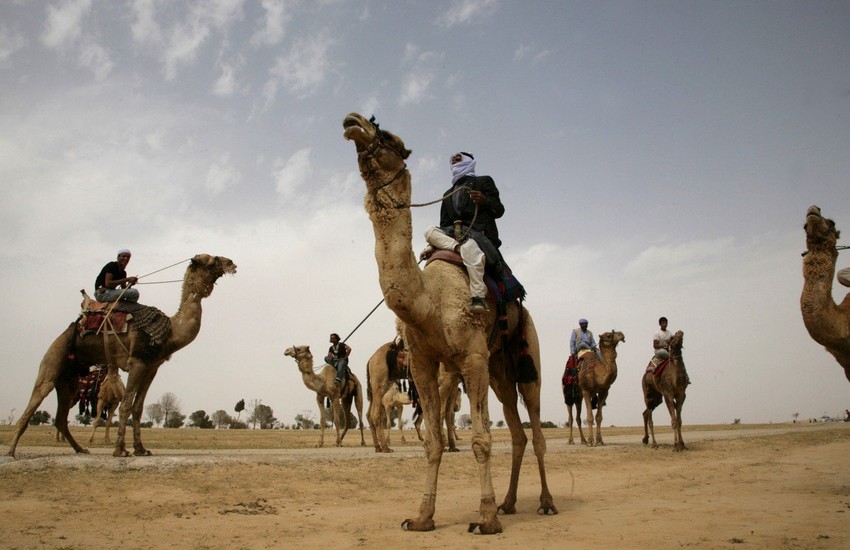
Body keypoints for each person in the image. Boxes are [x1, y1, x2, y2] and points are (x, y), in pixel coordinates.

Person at [421, 151, 505, 312]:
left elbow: (499, 211)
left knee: (470, 248)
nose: (454, 160)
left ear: (469, 161)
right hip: (455, 235)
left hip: (480, 234)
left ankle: (478, 297)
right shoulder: (447, 194)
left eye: (458, 158)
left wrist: (485, 201)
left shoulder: (483, 182)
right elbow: (444, 223)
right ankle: (456, 248)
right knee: (429, 231)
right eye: (452, 160)